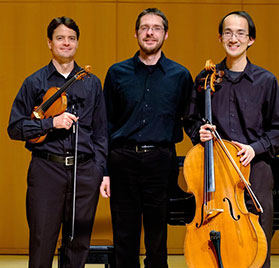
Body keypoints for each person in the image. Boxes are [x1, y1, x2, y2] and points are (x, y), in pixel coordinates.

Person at [183, 11, 279, 268]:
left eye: (240, 33)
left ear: (251, 39)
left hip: (254, 171)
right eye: (228, 32)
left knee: (256, 244)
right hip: (216, 172)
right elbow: (190, 120)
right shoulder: (204, 79)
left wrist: (255, 149)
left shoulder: (266, 81)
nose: (234, 38)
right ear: (220, 37)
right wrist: (199, 131)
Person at [7, 16, 107, 268]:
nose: (66, 43)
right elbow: (15, 128)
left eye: (71, 39)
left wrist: (98, 171)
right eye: (60, 38)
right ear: (49, 43)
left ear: (77, 43)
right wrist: (50, 124)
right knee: (42, 241)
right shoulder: (34, 82)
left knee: (78, 243)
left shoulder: (92, 83)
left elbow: (101, 132)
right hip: (46, 170)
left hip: (84, 171)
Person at [100, 8, 193, 268]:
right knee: (124, 233)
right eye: (144, 27)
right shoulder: (117, 73)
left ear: (166, 34)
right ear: (136, 33)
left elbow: (190, 120)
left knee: (157, 236)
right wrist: (105, 171)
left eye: (156, 28)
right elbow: (105, 125)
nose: (150, 33)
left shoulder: (180, 76)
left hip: (161, 161)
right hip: (123, 160)